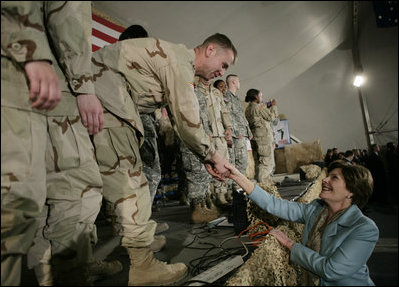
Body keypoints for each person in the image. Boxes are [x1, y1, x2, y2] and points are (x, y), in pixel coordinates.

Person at [89, 33, 237, 285]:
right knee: (130, 182)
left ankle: (81, 260)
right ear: (210, 50)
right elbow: (188, 122)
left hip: (99, 96)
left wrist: (207, 157)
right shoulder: (179, 61)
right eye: (224, 64)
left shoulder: (176, 59)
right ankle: (142, 266)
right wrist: (213, 156)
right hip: (107, 99)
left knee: (88, 186)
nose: (221, 73)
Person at [1, 2, 115, 285]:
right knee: (74, 190)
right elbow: (64, 16)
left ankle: (52, 273)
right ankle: (67, 273)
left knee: (35, 197)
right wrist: (84, 86)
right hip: (49, 83)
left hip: (35, 78)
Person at [223, 160, 379, 286]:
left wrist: (291, 245)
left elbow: (331, 270)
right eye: (328, 175)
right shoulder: (316, 209)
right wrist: (237, 176)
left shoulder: (364, 229)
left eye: (334, 177)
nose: (324, 179)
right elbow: (274, 204)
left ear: (351, 192)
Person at [118, 24, 169, 233]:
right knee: (150, 171)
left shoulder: (114, 60)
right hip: (138, 118)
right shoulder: (136, 60)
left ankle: (128, 225)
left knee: (123, 173)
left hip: (120, 121)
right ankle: (141, 225)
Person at [178, 76, 220, 223]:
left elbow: (205, 119)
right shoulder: (181, 92)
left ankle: (202, 206)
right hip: (190, 140)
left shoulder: (198, 94)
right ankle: (196, 210)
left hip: (202, 139)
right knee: (195, 173)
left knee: (203, 173)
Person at [224, 74, 253, 234]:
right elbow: (227, 116)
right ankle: (233, 197)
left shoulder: (236, 97)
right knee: (235, 164)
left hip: (242, 134)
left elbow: (240, 117)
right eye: (238, 80)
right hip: (236, 137)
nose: (240, 83)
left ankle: (238, 193)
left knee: (242, 164)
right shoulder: (227, 96)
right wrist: (235, 132)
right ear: (233, 82)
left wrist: (248, 131)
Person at [244, 88, 279, 185]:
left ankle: (260, 183)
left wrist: (267, 105)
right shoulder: (258, 107)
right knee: (266, 162)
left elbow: (261, 111)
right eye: (260, 96)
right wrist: (274, 106)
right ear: (256, 97)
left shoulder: (248, 109)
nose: (262, 98)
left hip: (255, 138)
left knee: (258, 162)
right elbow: (271, 117)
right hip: (264, 138)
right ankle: (264, 184)